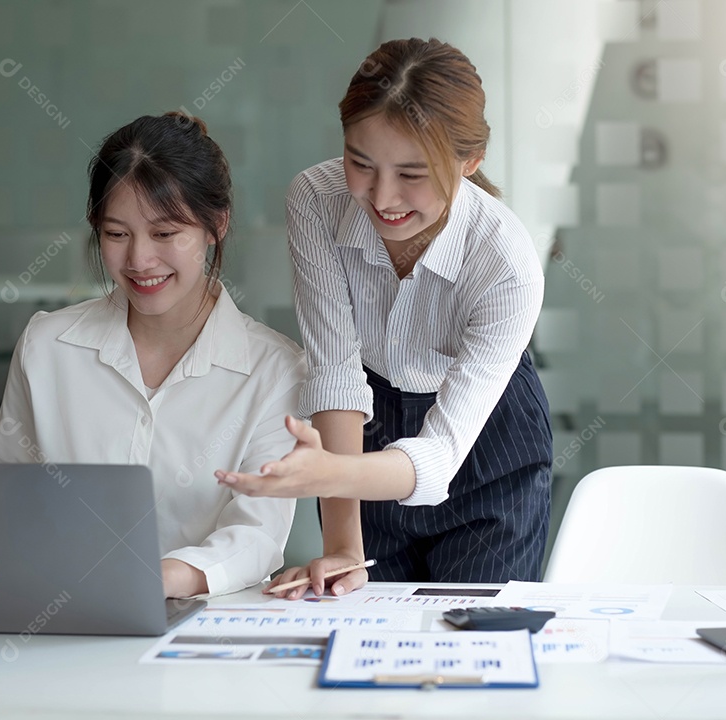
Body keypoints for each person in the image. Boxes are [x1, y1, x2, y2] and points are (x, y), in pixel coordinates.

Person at [215, 38, 552, 598]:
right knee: (359, 636)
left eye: (413, 174)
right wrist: (343, 543)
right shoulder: (315, 200)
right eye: (360, 163)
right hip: (363, 427)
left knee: (472, 647)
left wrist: (328, 473)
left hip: (485, 440)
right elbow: (336, 371)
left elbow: (442, 456)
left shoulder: (506, 262)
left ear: (469, 164)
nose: (382, 197)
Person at [0, 112, 305, 599]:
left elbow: (257, 535)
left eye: (164, 234)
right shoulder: (47, 347)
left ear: (214, 225)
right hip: (62, 621)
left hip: (202, 631)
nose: (139, 260)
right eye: (117, 234)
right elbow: (8, 500)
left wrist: (151, 579)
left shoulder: (274, 369)